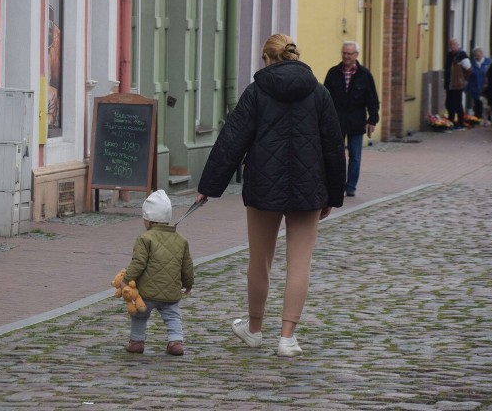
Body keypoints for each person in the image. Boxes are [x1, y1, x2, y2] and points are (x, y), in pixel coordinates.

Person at [196, 34, 345, 358]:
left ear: (267, 58)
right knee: (299, 263)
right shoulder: (319, 93)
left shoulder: (257, 92)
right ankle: (287, 338)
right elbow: (333, 145)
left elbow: (232, 140)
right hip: (309, 189)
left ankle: (254, 329)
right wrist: (333, 195)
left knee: (259, 262)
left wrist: (209, 186)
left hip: (264, 186)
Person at [123, 189, 194, 357]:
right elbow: (187, 266)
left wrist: (127, 279)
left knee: (140, 316)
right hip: (170, 292)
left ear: (147, 220)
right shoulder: (181, 240)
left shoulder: (145, 238)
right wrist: (188, 283)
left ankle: (137, 341)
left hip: (146, 293)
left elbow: (138, 263)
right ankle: (176, 342)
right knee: (173, 317)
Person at [323, 41, 379, 197]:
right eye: (344, 53)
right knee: (336, 154)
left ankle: (351, 186)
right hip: (336, 121)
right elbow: (325, 98)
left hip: (356, 120)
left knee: (355, 155)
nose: (346, 56)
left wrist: (372, 119)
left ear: (356, 55)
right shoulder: (333, 73)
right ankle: (337, 184)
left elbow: (372, 98)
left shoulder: (365, 75)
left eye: (349, 54)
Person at [444, 38, 471, 129]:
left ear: (458, 45)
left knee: (457, 103)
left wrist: (463, 80)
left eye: (454, 45)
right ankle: (450, 121)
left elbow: (468, 69)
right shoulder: (449, 55)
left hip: (457, 84)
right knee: (448, 103)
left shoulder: (462, 55)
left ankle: (460, 122)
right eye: (451, 45)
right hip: (449, 83)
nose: (452, 47)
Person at [466, 47, 490, 119]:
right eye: (475, 55)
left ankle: (488, 119)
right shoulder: (472, 63)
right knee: (477, 104)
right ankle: (478, 118)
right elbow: (469, 76)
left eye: (478, 55)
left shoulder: (488, 62)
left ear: (482, 54)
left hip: (486, 87)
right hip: (475, 87)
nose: (477, 57)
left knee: (487, 104)